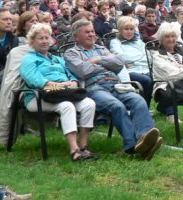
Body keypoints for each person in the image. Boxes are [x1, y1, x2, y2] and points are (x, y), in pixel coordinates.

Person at [64, 19, 162, 160]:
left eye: (92, 31)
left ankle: (145, 139)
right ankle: (132, 146)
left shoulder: (101, 49)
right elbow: (83, 71)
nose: (92, 34)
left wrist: (97, 60)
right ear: (76, 36)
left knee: (138, 100)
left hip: (115, 85)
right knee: (117, 106)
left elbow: (118, 64)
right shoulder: (71, 53)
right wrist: (106, 63)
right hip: (94, 88)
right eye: (87, 32)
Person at [20, 24, 97, 161]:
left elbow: (71, 74)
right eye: (40, 38)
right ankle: (74, 150)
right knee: (66, 106)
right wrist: (56, 85)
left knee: (89, 104)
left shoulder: (57, 59)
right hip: (38, 96)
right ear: (32, 41)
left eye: (47, 38)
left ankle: (83, 146)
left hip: (63, 93)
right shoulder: (29, 59)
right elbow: (33, 79)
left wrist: (73, 82)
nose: (44, 41)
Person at [109, 17, 153, 109]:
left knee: (155, 77)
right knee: (146, 80)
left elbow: (149, 56)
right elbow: (121, 57)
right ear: (120, 30)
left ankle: (163, 108)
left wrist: (134, 61)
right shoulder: (115, 42)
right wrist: (140, 57)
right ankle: (143, 108)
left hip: (144, 68)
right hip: (129, 71)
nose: (129, 32)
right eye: (126, 29)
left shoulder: (139, 41)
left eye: (131, 29)